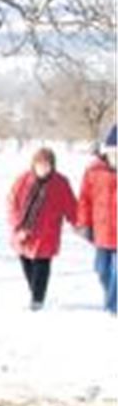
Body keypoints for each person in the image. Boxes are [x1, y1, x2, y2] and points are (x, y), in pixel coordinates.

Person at [6, 147, 77, 310]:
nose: (43, 168)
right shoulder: (23, 180)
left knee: (41, 266)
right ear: (34, 164)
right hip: (23, 232)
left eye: (47, 165)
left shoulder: (60, 183)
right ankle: (35, 291)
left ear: (53, 165)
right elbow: (11, 203)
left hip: (47, 233)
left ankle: (37, 300)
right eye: (40, 164)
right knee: (26, 264)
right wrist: (18, 226)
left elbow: (71, 206)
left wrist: (81, 224)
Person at [76, 125, 117, 314]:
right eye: (113, 151)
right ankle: (111, 297)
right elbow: (84, 199)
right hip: (102, 231)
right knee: (101, 269)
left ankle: (113, 307)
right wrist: (84, 224)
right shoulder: (94, 171)